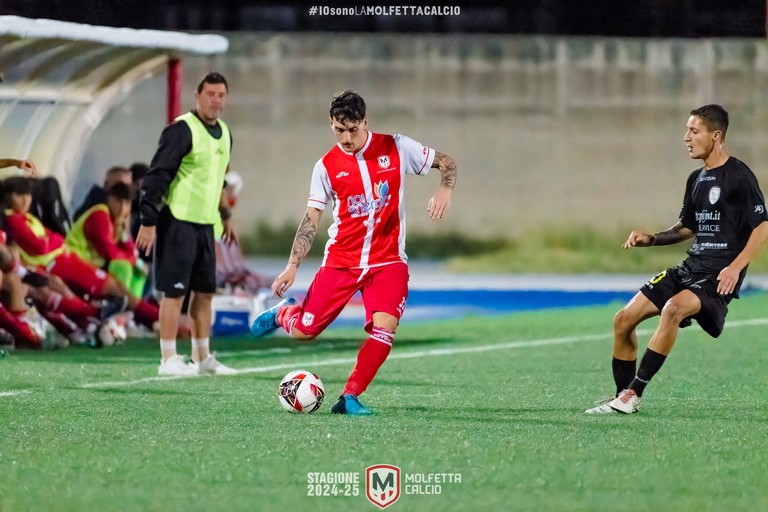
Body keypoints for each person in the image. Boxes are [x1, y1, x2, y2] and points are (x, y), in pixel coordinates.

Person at [250, 90, 458, 415]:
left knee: (385, 326)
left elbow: (446, 162)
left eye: (352, 129)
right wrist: (291, 267)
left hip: (388, 262)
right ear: (331, 124)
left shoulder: (397, 147)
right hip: (341, 263)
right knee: (304, 333)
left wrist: (445, 189)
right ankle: (283, 313)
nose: (346, 138)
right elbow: (311, 220)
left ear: (365, 122)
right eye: (338, 130)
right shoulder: (325, 167)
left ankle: (350, 397)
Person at [586, 104, 768, 414]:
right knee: (623, 321)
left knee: (672, 310)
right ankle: (621, 397)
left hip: (716, 275)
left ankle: (633, 394)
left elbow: (762, 226)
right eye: (687, 130)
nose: (686, 137)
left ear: (716, 135)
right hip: (690, 267)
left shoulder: (739, 175)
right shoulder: (696, 179)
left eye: (694, 131)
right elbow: (686, 228)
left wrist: (736, 268)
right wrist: (652, 239)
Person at [136, 71, 237, 377]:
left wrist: (226, 215)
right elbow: (156, 177)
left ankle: (202, 357)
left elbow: (218, 178)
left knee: (205, 293)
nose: (215, 100)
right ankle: (168, 359)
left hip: (206, 225)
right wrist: (149, 221)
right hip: (177, 222)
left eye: (221, 95)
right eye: (210, 94)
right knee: (174, 293)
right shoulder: (181, 130)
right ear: (197, 96)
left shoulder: (225, 132)